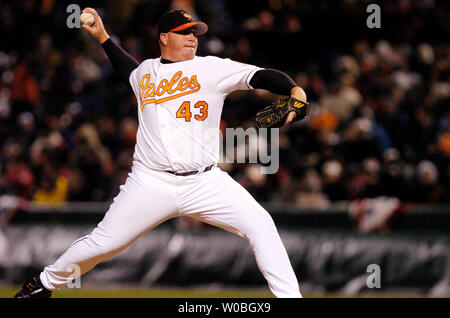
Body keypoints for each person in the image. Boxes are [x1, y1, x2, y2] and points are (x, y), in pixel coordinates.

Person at [14, 8, 307, 298]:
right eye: (185, 32)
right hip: (150, 182)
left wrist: (295, 91)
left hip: (205, 182)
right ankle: (41, 284)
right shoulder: (145, 72)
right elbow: (127, 69)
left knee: (261, 225)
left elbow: (260, 76)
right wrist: (103, 37)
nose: (193, 38)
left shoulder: (212, 68)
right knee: (103, 244)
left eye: (196, 32)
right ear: (164, 38)